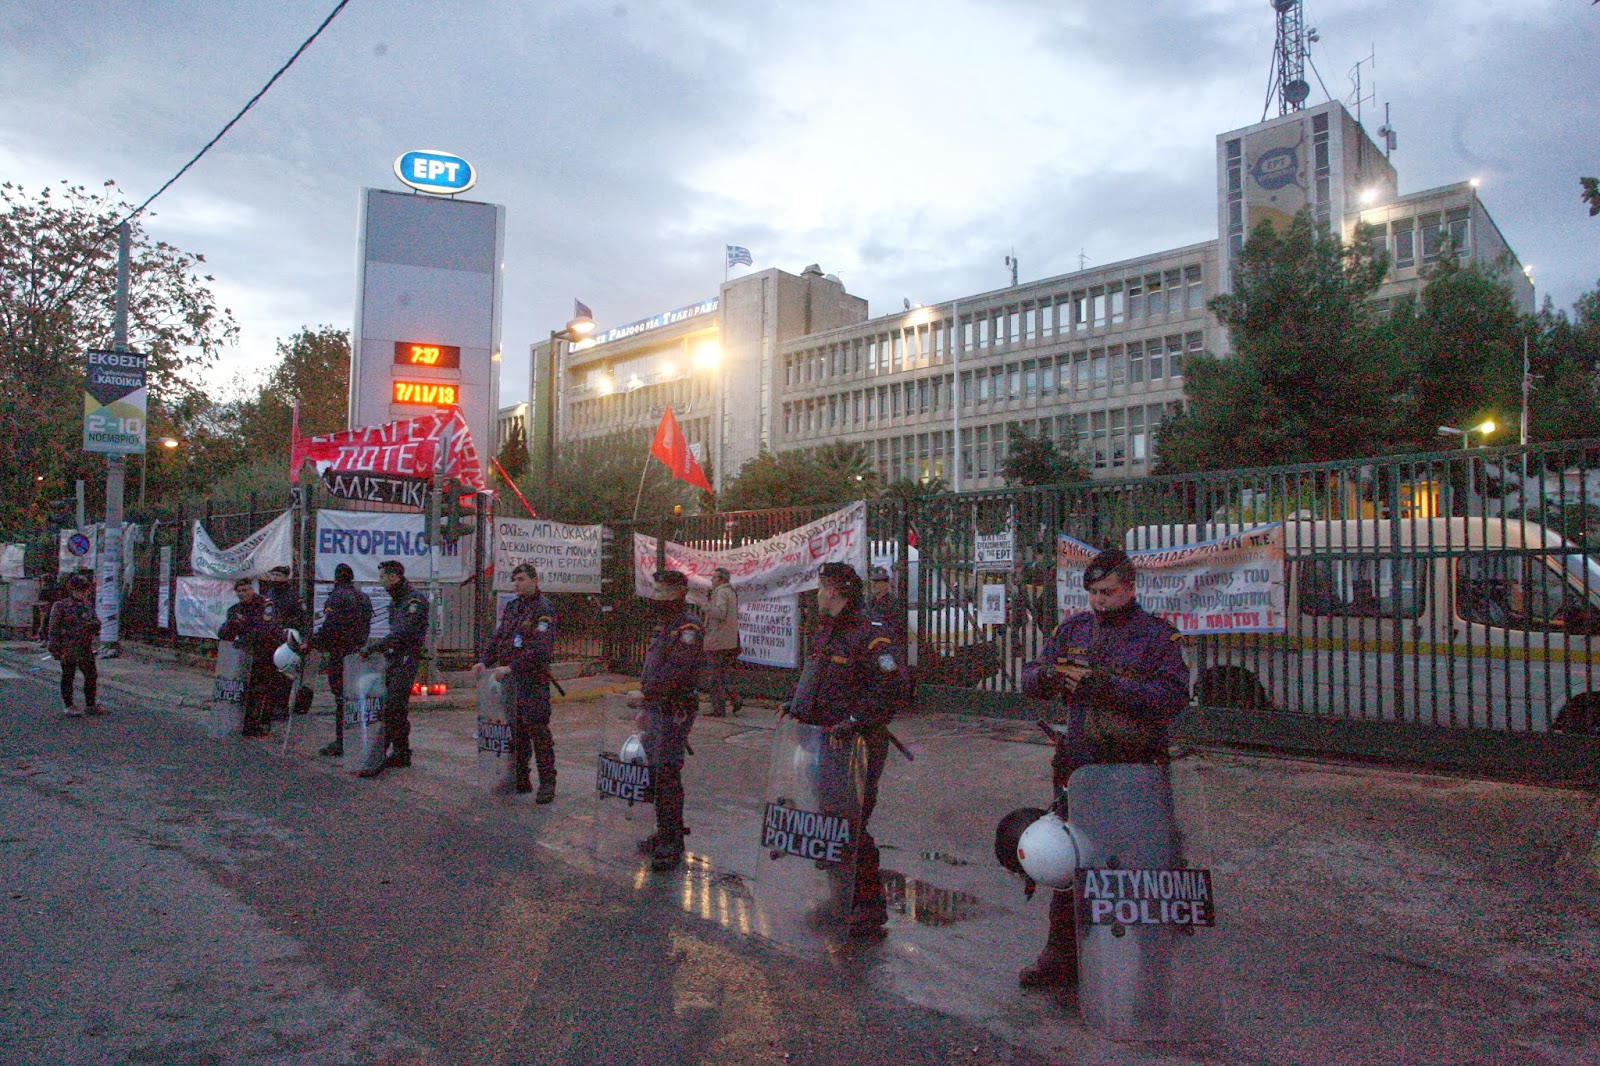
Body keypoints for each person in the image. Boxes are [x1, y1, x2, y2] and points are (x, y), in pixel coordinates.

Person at [1016, 547, 1189, 989]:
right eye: (1092, 592)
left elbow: (1171, 699)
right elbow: (1031, 675)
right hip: (1081, 766)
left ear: (1129, 589)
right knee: (1071, 862)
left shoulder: (1156, 637)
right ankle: (1061, 957)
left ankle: (1150, 964)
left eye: (1108, 592)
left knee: (1142, 864)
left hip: (1135, 769)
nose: (1099, 601)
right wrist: (1048, 678)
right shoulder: (1074, 629)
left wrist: (1107, 688)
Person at [783, 561, 911, 938]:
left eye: (821, 588)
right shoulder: (828, 630)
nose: (818, 595)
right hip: (822, 740)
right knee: (830, 821)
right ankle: (841, 898)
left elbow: (892, 687)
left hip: (857, 744)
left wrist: (857, 720)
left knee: (852, 823)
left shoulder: (870, 633)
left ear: (835, 591)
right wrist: (795, 707)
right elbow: (817, 678)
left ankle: (869, 909)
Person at [628, 569, 703, 871]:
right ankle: (665, 832)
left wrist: (646, 695)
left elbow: (677, 672)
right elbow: (656, 665)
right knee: (657, 773)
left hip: (674, 709)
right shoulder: (666, 625)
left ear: (677, 593)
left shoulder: (688, 627)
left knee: (668, 773)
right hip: (657, 709)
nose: (655, 597)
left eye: (661, 592)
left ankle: (671, 843)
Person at [476, 563, 558, 801]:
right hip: (511, 683)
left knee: (538, 732)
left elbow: (540, 649)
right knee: (516, 732)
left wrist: (512, 667)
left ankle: (547, 783)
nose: (517, 584)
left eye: (521, 579)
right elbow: (500, 637)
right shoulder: (513, 607)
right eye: (515, 580)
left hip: (532, 680)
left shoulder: (543, 609)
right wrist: (484, 661)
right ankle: (521, 778)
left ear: (534, 580)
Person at [359, 559, 429, 778]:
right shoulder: (396, 601)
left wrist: (375, 647)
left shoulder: (413, 601)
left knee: (392, 707)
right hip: (395, 658)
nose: (381, 582)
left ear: (394, 577)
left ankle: (376, 758)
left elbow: (403, 633)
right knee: (396, 708)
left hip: (407, 658)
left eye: (383, 577)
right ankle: (401, 752)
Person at [313, 563, 372, 758]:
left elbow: (331, 627)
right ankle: (357, 736)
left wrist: (316, 643)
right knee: (355, 698)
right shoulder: (363, 597)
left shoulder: (337, 597)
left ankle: (342, 741)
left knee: (341, 698)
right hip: (358, 652)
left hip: (340, 652)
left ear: (336, 579)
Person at [217, 577, 286, 737]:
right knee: (247, 689)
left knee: (263, 689)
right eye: (239, 591)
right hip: (246, 656)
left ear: (252, 590)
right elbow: (224, 634)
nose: (242, 594)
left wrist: (246, 638)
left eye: (245, 590)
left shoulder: (265, 605)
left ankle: (261, 723)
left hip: (266, 653)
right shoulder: (236, 610)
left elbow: (266, 629)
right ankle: (246, 722)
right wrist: (231, 624)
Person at [47, 573, 102, 717]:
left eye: (85, 591)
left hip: (84, 645)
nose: (83, 594)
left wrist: (94, 626)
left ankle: (90, 704)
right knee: (68, 675)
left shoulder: (87, 606)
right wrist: (54, 648)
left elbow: (95, 622)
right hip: (68, 646)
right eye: (80, 590)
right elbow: (53, 628)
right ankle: (69, 705)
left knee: (91, 675)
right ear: (72, 590)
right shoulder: (61, 606)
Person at [259, 565, 307, 720]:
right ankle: (268, 707)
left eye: (278, 575)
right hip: (270, 639)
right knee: (268, 675)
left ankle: (281, 707)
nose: (274, 578)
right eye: (273, 575)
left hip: (286, 640)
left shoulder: (293, 597)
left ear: (286, 577)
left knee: (284, 675)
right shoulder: (269, 594)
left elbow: (303, 620)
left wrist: (303, 640)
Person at [701, 567, 742, 717]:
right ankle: (734, 698)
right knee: (723, 673)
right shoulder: (731, 592)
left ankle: (718, 708)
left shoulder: (721, 592)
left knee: (715, 676)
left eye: (714, 578)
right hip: (728, 640)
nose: (712, 580)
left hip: (717, 640)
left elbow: (720, 613)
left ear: (721, 579)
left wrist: (705, 606)